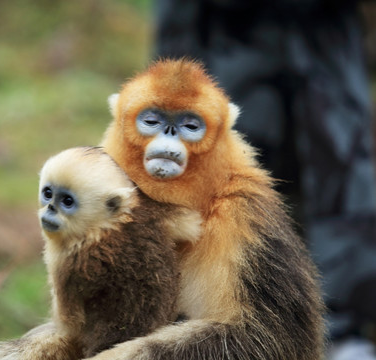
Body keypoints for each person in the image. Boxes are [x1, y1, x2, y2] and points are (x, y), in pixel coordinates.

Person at [154, 1, 376, 358]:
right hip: (216, 31)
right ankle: (205, 328)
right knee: (211, 176)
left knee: (338, 171)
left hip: (323, 31)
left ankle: (342, 332)